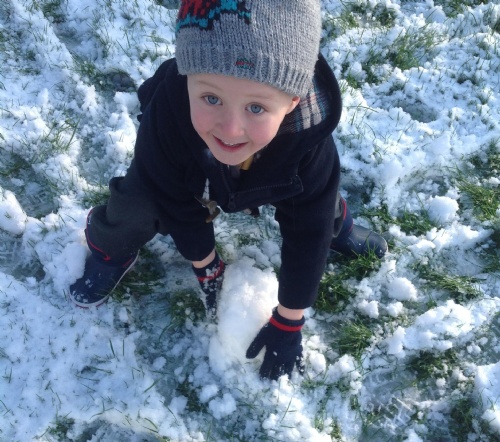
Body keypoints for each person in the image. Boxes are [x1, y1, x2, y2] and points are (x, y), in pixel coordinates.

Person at [69, 0, 387, 380]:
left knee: (318, 203)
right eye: (211, 98)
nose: (231, 129)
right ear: (187, 77)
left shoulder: (308, 138)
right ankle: (110, 248)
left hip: (274, 165)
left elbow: (308, 226)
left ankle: (341, 225)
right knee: (140, 201)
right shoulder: (168, 111)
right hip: (191, 166)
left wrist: (289, 318)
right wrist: (205, 262)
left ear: (293, 101)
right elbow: (173, 197)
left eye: (256, 107)